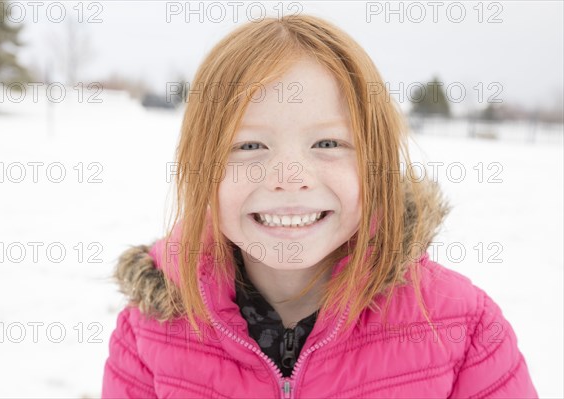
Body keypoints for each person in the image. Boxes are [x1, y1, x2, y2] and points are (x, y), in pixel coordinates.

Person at [101, 14, 538, 398]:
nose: (290, 179)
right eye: (249, 145)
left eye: (327, 143)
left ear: (377, 164)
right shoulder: (149, 332)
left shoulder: (464, 330)